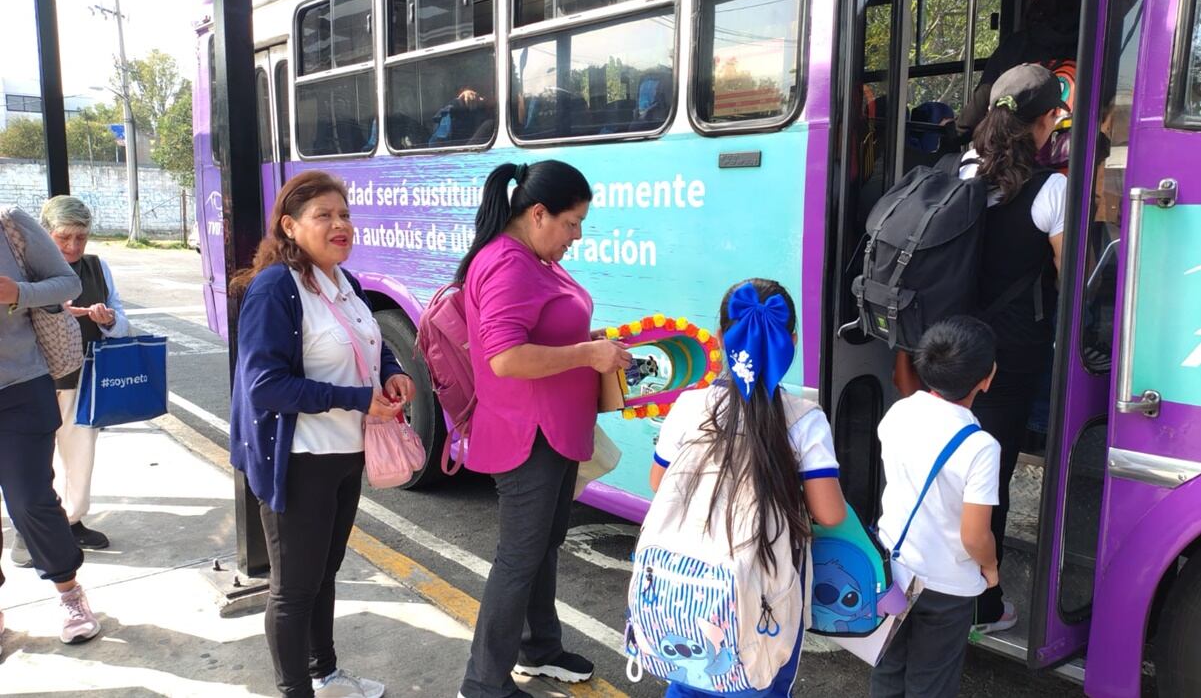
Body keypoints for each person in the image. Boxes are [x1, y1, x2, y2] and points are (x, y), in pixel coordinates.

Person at [229, 171, 415, 698]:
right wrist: (356, 398)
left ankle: (326, 674)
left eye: (345, 214)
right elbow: (265, 385)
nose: (341, 225)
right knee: (294, 589)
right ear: (290, 226)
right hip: (300, 459)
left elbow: (369, 343)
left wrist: (393, 370)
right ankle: (297, 691)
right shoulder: (276, 288)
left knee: (324, 573)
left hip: (346, 454)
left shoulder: (344, 282)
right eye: (324, 216)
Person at [456, 161, 631, 698]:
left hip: (552, 432)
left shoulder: (534, 258)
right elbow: (506, 357)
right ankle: (483, 683)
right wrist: (586, 354)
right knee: (518, 558)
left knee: (543, 546)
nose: (576, 236)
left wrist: (593, 343)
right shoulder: (507, 263)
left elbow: (546, 331)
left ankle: (540, 648)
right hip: (526, 436)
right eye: (571, 223)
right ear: (538, 214)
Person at [649, 278, 847, 697]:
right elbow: (830, 514)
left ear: (720, 338)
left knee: (689, 677)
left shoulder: (689, 406)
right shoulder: (805, 420)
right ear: (791, 342)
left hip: (690, 578)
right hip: (765, 588)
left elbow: (658, 482)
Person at [959, 63, 1069, 633]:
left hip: (953, 345)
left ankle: (934, 584)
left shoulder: (961, 172)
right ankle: (982, 603)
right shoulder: (1052, 188)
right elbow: (1072, 277)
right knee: (990, 477)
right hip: (1012, 353)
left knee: (950, 465)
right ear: (1047, 119)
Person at [870, 316, 1001, 698]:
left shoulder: (899, 413)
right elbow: (975, 536)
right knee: (931, 684)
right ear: (987, 379)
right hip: (947, 588)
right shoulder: (981, 447)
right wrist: (991, 566)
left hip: (893, 571)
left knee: (887, 669)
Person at [0, 205, 101, 651]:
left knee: (30, 500)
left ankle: (69, 593)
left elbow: (67, 282)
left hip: (19, 385)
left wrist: (18, 292)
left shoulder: (10, 224)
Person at [10, 196, 131, 566]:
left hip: (82, 378)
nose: (73, 246)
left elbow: (122, 322)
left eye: (81, 237)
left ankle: (72, 520)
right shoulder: (23, 268)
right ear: (44, 234)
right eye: (64, 237)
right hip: (33, 380)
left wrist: (109, 320)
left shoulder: (97, 268)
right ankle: (28, 532)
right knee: (33, 463)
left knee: (80, 457)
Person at [953, 0, 1084, 142]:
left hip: (1014, 155)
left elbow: (972, 119)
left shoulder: (1016, 46)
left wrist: (951, 131)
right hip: (1073, 156)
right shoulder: (1104, 49)